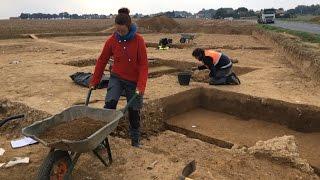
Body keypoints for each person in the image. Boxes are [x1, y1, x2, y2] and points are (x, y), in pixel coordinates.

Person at [90, 8, 148, 147]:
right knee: (109, 105)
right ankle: (101, 139)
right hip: (116, 77)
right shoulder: (112, 40)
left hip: (133, 81)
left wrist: (141, 86)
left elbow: (143, 66)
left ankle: (135, 140)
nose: (120, 34)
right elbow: (102, 60)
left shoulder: (138, 41)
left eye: (122, 31)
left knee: (134, 111)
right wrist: (95, 81)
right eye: (117, 31)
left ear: (129, 27)